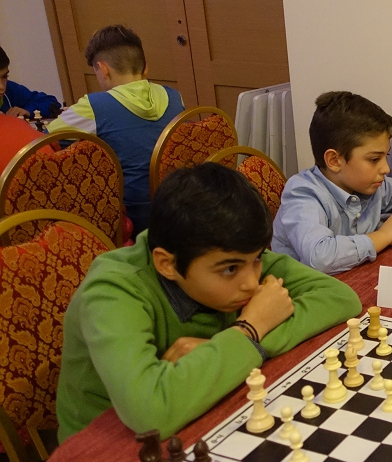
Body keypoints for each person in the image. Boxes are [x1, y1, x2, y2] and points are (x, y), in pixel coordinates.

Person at [56, 163, 360, 442]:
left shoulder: (228, 249)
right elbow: (151, 413)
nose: (251, 282)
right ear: (166, 264)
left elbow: (340, 298)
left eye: (257, 259)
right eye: (230, 270)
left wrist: (241, 341)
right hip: (106, 445)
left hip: (200, 400)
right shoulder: (113, 291)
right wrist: (249, 329)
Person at [273, 91, 392, 274]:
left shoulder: (371, 185)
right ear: (334, 161)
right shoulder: (302, 194)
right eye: (374, 159)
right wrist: (385, 235)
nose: (386, 168)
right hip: (300, 289)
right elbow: (320, 257)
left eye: (385, 156)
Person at [47, 25, 185, 232]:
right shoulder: (175, 96)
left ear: (103, 69)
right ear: (145, 68)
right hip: (180, 206)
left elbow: (45, 139)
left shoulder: (94, 106)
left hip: (134, 216)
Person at [0, 45, 61, 119]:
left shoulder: (11, 90)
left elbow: (50, 102)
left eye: (5, 76)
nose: (2, 86)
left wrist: (28, 110)